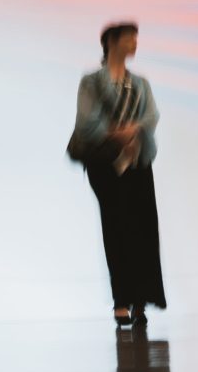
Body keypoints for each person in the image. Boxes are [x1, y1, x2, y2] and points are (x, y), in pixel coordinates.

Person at [71, 22, 166, 327]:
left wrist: (133, 129)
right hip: (105, 164)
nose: (134, 43)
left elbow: (151, 114)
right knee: (116, 228)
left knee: (144, 230)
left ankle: (141, 302)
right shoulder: (91, 82)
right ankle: (121, 300)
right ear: (111, 41)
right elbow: (87, 120)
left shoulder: (140, 83)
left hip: (138, 161)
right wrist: (114, 133)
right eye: (129, 38)